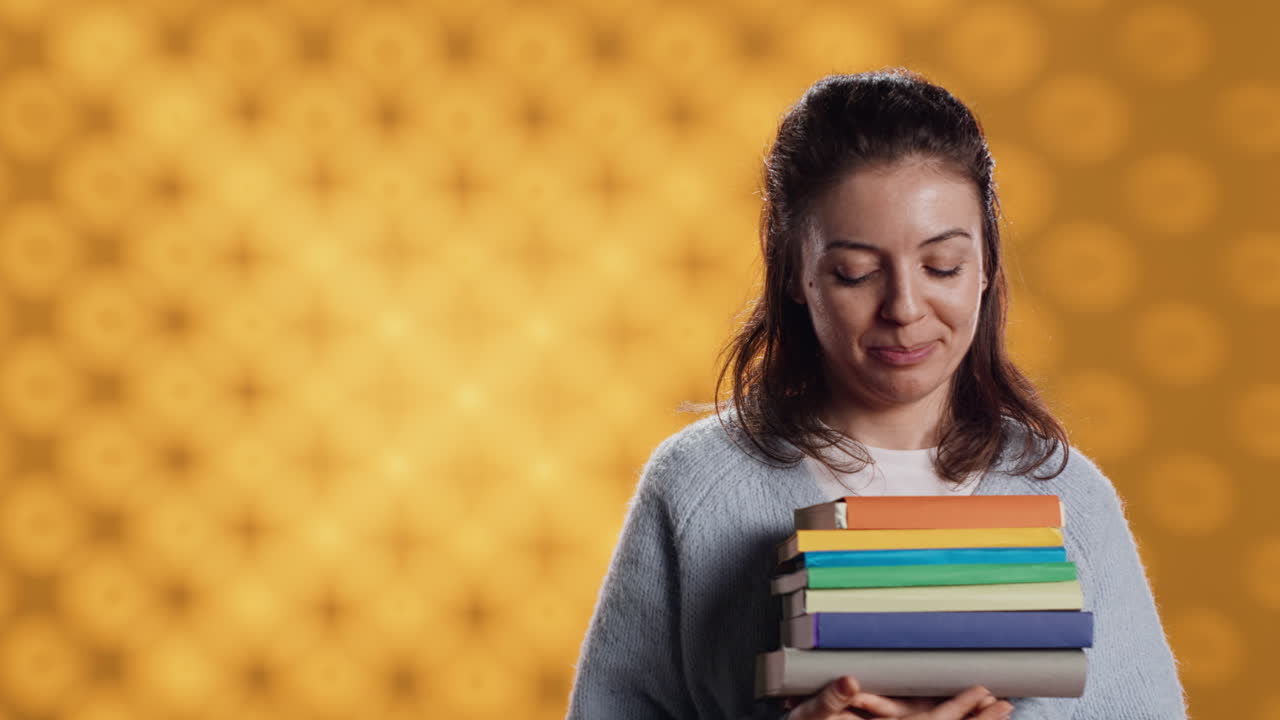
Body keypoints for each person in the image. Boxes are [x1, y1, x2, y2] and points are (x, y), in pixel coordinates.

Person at [566, 69, 1186, 719]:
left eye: (942, 265)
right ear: (795, 274)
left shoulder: (1071, 499)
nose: (905, 308)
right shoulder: (695, 488)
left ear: (987, 268)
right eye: (855, 273)